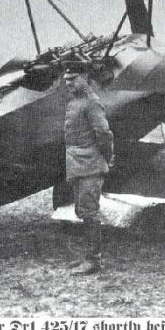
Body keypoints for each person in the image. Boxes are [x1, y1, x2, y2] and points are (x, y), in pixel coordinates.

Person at [63, 61, 114, 275]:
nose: (69, 83)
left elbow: (104, 133)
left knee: (89, 212)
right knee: (82, 210)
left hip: (90, 165)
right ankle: (88, 256)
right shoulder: (76, 102)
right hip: (78, 164)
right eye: (66, 80)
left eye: (73, 79)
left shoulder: (91, 103)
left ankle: (93, 260)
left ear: (85, 77)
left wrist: (107, 157)